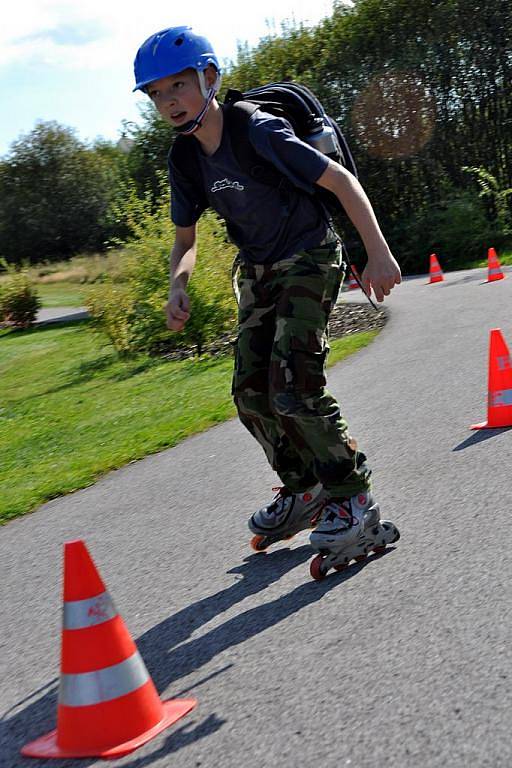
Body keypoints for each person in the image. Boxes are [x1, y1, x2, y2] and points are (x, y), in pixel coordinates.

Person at [133, 26, 402, 573]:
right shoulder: (184, 161)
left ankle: (352, 497)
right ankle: (304, 490)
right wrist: (178, 284)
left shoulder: (257, 129)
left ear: (209, 77)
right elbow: (185, 241)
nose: (169, 102)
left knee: (295, 388)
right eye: (156, 93)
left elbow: (343, 183)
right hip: (256, 271)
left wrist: (378, 253)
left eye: (178, 85)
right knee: (250, 393)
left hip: (309, 256)